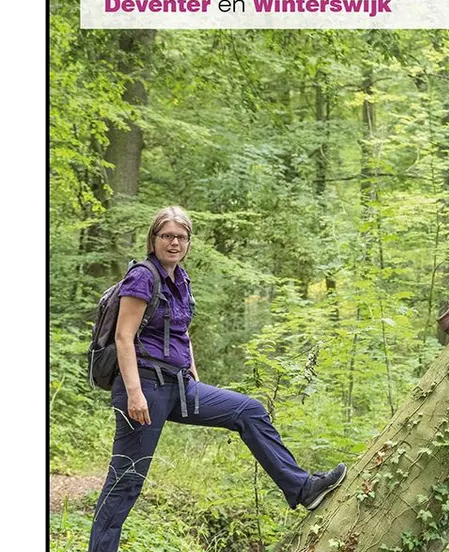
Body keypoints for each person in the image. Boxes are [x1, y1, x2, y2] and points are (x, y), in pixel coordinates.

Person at [88, 206, 346, 552]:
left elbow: (181, 332)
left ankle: (303, 489)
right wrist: (134, 394)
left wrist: (192, 371)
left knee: (248, 411)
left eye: (181, 237)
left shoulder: (181, 279)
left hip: (179, 386)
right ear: (154, 239)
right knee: (125, 482)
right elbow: (124, 337)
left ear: (189, 242)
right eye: (167, 236)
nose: (174, 242)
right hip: (145, 386)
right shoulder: (142, 277)